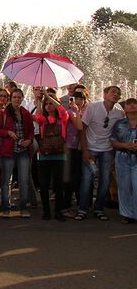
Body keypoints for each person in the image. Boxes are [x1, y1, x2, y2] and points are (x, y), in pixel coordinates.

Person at [76, 85, 124, 221]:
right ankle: (83, 209)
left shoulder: (119, 113)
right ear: (104, 94)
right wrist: (85, 151)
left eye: (118, 93)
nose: (116, 94)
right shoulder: (93, 107)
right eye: (113, 92)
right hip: (90, 147)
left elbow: (120, 132)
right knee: (86, 179)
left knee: (105, 181)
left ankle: (99, 209)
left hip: (107, 150)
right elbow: (82, 129)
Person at [0, 88, 35, 218]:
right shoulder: (4, 114)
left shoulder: (26, 113)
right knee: (7, 181)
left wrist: (29, 140)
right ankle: (6, 208)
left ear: (22, 99)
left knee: (23, 180)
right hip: (8, 150)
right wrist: (8, 133)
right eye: (14, 97)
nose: (17, 99)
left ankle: (23, 207)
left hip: (23, 150)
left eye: (19, 97)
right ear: (10, 99)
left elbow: (31, 131)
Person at [33, 89, 69, 220]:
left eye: (51, 103)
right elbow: (37, 116)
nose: (49, 105)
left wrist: (48, 95)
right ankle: (46, 211)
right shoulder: (44, 119)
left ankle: (59, 211)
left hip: (60, 156)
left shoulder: (63, 119)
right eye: (46, 103)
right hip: (44, 155)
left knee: (59, 185)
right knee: (43, 185)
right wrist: (39, 100)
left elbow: (62, 110)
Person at [61, 85, 87, 217]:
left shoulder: (82, 112)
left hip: (78, 149)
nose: (79, 101)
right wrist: (76, 111)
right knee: (69, 179)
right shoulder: (70, 112)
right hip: (69, 148)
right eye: (76, 98)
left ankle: (77, 204)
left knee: (77, 178)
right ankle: (65, 206)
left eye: (81, 99)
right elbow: (79, 126)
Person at [111, 98, 137, 224]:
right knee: (124, 186)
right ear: (125, 108)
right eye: (129, 103)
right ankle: (127, 214)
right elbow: (113, 141)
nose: (132, 105)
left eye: (135, 103)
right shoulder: (119, 124)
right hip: (122, 157)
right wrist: (125, 145)